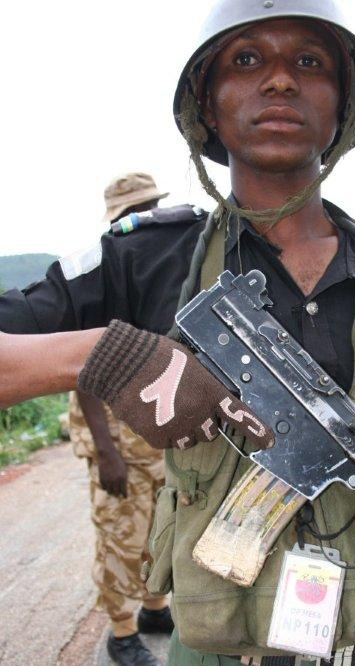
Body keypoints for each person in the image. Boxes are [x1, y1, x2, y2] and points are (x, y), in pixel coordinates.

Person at [0, 2, 355, 665]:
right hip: (219, 652)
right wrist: (105, 352)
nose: (278, 81)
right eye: (246, 59)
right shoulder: (149, 258)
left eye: (309, 61)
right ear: (208, 106)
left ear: (343, 106)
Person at [67, 173, 172, 666]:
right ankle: (122, 631)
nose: (147, 215)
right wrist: (105, 450)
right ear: (118, 219)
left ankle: (154, 609)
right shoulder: (105, 272)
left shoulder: (160, 266)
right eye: (138, 208)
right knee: (120, 536)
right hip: (117, 439)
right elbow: (82, 368)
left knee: (157, 530)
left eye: (152, 205)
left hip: (157, 435)